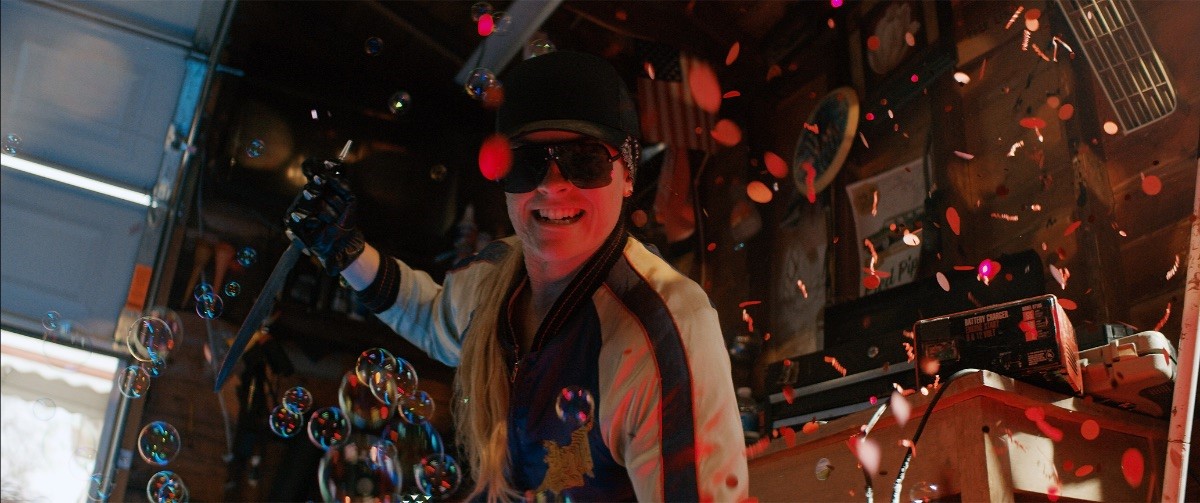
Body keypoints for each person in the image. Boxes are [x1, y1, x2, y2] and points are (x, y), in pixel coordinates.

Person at [286, 50, 748, 502]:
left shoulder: (667, 330)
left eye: (584, 159)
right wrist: (345, 250)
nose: (551, 184)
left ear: (627, 174)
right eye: (527, 162)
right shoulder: (491, 276)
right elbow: (431, 315)